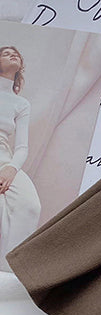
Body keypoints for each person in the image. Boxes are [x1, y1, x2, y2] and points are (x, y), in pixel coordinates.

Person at [0, 46, 41, 270]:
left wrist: (11, 168)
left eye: (15, 53)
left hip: (5, 159)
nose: (13, 54)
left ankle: (7, 272)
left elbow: (22, 147)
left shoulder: (21, 103)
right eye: (6, 53)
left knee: (30, 206)